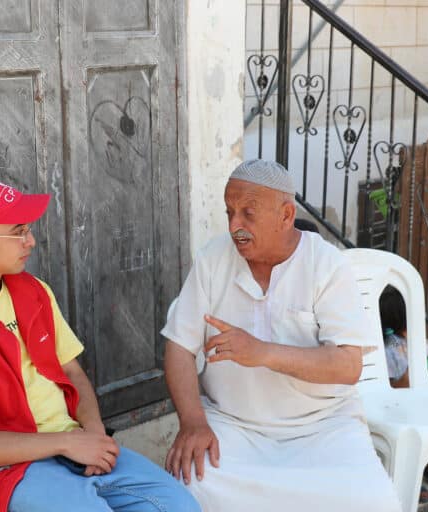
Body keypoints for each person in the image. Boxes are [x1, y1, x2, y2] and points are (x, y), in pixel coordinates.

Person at [0, 177, 199, 512]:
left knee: (179, 506)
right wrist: (68, 442)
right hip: (7, 471)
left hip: (74, 445)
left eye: (28, 229)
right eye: (18, 232)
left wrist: (94, 433)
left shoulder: (34, 290)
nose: (30, 241)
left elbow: (71, 370)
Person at [161, 159, 401, 512]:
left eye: (248, 214)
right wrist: (193, 422)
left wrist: (263, 352)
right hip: (234, 426)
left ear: (286, 215)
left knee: (373, 501)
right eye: (230, 212)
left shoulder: (326, 264)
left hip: (322, 429)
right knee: (189, 488)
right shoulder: (213, 259)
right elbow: (179, 347)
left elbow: (347, 365)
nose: (234, 226)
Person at [379, 285, 428, 503]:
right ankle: (411, 474)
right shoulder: (388, 352)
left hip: (423, 400)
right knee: (411, 434)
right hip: (399, 407)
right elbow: (391, 388)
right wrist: (410, 377)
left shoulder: (414, 342)